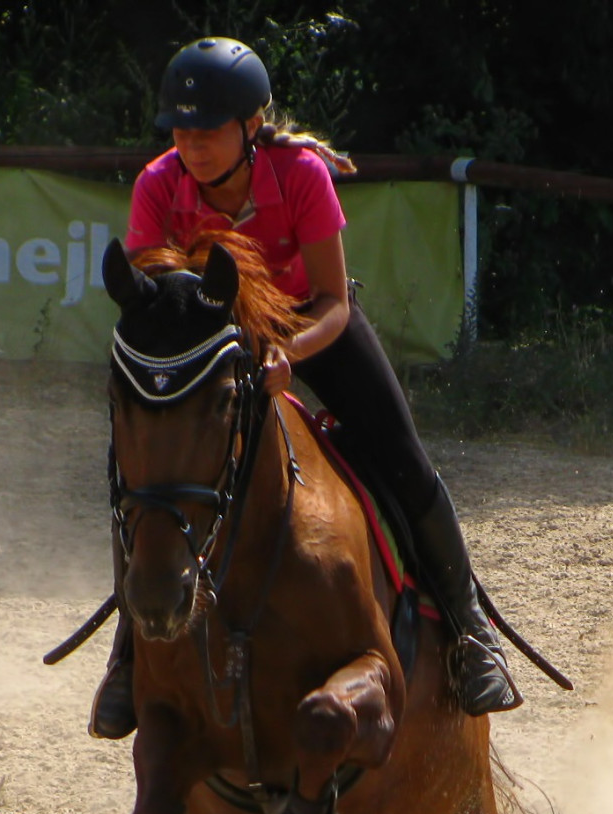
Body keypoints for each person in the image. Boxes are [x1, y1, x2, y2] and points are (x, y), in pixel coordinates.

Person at [90, 35, 521, 738]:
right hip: (210, 348)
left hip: (307, 327)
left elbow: (333, 302)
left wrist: (285, 353)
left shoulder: (300, 176)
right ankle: (130, 652)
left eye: (208, 129)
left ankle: (473, 632)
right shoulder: (157, 184)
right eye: (181, 130)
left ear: (251, 126)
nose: (190, 145)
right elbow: (154, 305)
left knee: (404, 460)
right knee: (141, 474)